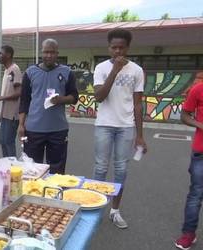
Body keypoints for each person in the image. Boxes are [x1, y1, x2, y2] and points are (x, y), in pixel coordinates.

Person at [93, 28, 147, 229]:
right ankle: (95, 209)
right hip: (104, 125)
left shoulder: (136, 70)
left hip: (126, 126)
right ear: (109, 47)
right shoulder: (100, 68)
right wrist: (115, 70)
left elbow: (138, 104)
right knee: (100, 168)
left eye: (121, 47)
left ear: (128, 48)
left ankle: (115, 211)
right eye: (114, 47)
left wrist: (140, 136)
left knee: (121, 170)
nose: (117, 51)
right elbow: (99, 97)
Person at [19, 38, 79, 174]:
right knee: (32, 169)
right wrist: (21, 125)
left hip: (58, 130)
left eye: (52, 52)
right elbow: (24, 101)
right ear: (42, 52)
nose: (49, 55)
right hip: (34, 129)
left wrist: (61, 99)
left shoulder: (67, 72)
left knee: (57, 170)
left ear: (57, 53)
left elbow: (74, 97)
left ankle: (54, 194)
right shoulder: (30, 73)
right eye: (46, 52)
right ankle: (33, 195)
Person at [174, 81, 203, 250]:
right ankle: (188, 234)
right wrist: (200, 125)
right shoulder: (198, 89)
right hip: (201, 151)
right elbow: (184, 115)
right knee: (196, 196)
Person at [0, 45, 22, 157]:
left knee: (8, 142)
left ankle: (13, 169)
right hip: (5, 114)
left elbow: (19, 93)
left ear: (8, 55)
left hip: (12, 115)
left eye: (0, 53)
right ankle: (6, 166)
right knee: (3, 142)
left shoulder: (14, 69)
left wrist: (0, 98)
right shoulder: (7, 71)